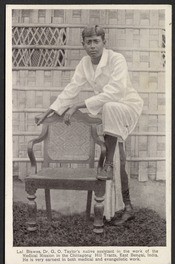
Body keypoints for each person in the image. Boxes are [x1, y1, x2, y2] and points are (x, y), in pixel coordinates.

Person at [36, 25, 143, 225]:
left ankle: (108, 164)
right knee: (119, 152)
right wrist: (50, 110)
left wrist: (78, 105)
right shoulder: (85, 63)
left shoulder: (116, 59)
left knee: (111, 108)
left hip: (127, 106)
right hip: (109, 112)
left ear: (104, 42)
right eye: (88, 42)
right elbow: (72, 88)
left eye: (96, 41)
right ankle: (126, 207)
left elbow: (116, 91)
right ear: (83, 44)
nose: (92, 46)